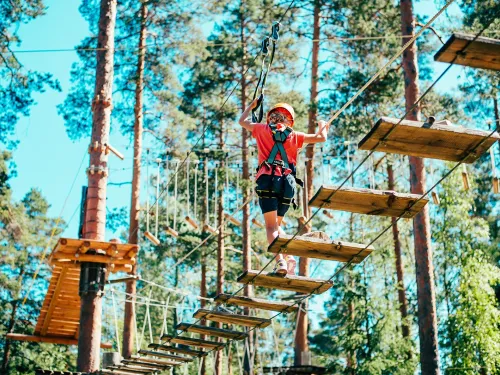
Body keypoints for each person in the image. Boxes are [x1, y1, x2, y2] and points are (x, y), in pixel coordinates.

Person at [238, 99, 329, 276]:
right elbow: (321, 138)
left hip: (267, 180)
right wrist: (323, 125)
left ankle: (281, 261)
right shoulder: (294, 135)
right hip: (287, 183)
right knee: (277, 225)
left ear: (270, 118)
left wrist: (251, 106)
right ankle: (290, 258)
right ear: (290, 121)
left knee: (271, 227)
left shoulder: (261, 129)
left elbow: (242, 121)